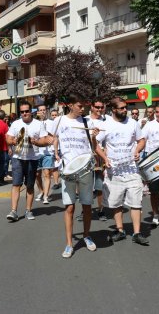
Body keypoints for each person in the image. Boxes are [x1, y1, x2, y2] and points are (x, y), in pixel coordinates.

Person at [96, 97, 148, 245]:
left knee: (136, 201)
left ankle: (137, 233)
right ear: (113, 110)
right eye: (122, 108)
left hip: (132, 169)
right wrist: (105, 158)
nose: (125, 110)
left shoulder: (133, 123)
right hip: (114, 171)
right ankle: (120, 230)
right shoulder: (105, 125)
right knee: (116, 202)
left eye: (126, 107)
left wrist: (138, 150)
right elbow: (96, 144)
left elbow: (142, 140)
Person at [52, 93, 98, 258]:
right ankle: (69, 244)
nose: (82, 108)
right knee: (69, 207)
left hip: (85, 168)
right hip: (68, 169)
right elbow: (54, 138)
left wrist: (94, 136)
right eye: (79, 105)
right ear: (70, 105)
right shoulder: (59, 121)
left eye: (83, 105)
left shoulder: (87, 121)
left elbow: (93, 145)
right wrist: (56, 153)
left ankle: (86, 235)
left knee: (86, 205)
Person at [5, 101, 49, 221]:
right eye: (22, 112)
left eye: (26, 111)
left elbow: (45, 140)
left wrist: (35, 142)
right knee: (16, 184)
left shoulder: (38, 124)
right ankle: (13, 211)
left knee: (29, 186)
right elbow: (8, 139)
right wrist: (16, 141)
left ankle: (28, 210)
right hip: (17, 158)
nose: (24, 113)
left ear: (31, 112)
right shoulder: (15, 124)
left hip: (32, 158)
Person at [78, 98, 107, 222]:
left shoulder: (108, 121)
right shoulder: (85, 120)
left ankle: (101, 210)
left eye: (101, 107)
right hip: (87, 155)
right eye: (97, 107)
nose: (99, 109)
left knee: (100, 185)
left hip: (101, 155)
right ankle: (84, 211)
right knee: (86, 185)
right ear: (92, 107)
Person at [34, 104, 56, 204]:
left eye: (44, 110)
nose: (43, 112)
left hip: (48, 152)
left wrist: (56, 152)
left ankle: (46, 196)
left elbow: (54, 137)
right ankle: (41, 191)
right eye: (41, 110)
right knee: (37, 174)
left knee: (47, 174)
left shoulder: (51, 123)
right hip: (36, 152)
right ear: (37, 112)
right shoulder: (34, 123)